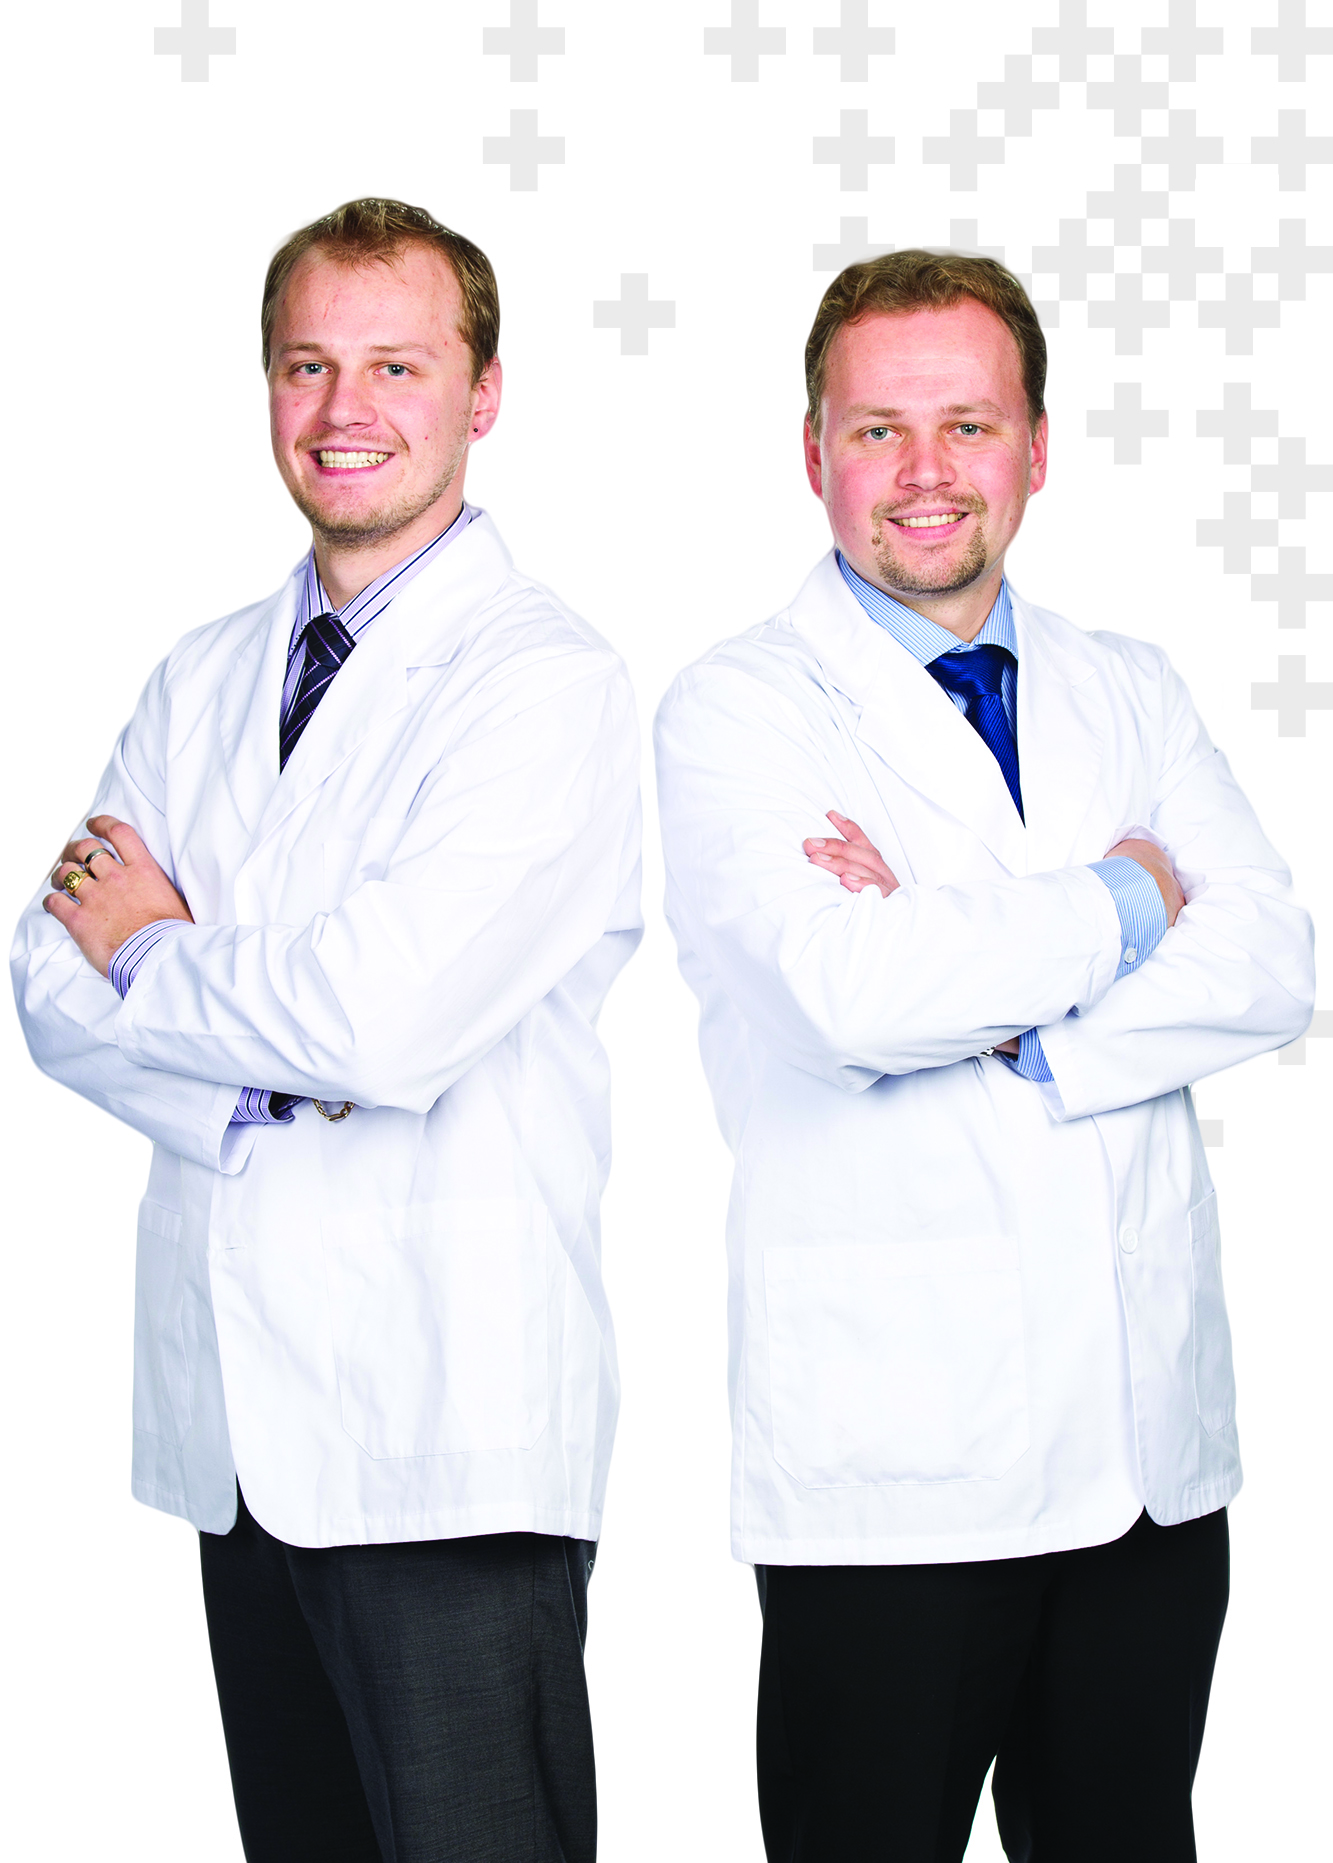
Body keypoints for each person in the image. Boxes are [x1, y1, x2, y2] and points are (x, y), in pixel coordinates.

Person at [654, 251, 1314, 1862]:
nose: (927, 470)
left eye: (969, 423)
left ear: (1037, 445)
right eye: (878, 429)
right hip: (897, 1473)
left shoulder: (1129, 685)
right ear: (813, 451)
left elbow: (1272, 965)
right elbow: (846, 995)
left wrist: (1004, 1006)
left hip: (1146, 1461)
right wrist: (1126, 896)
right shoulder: (736, 709)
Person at [12, 197, 641, 1863]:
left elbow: (383, 1017)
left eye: (395, 365)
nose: (343, 407)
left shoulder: (545, 681)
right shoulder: (202, 673)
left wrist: (158, 949)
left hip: (447, 1435)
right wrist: (248, 1089)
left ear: (482, 393)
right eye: (307, 365)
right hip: (242, 1428)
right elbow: (48, 984)